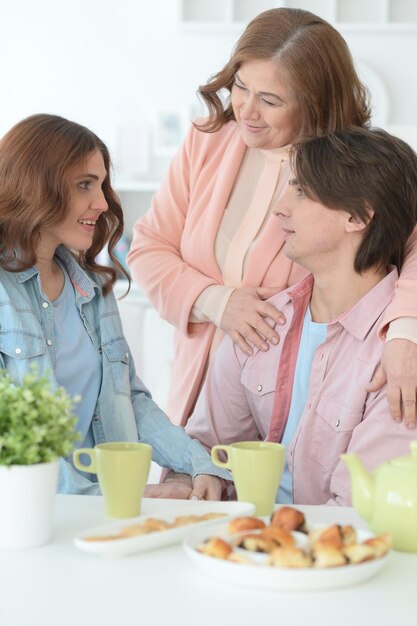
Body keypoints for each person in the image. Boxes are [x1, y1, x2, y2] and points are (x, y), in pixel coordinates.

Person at [127, 7, 417, 430]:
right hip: (197, 389)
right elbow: (150, 247)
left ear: (315, 103)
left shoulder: (353, 169)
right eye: (241, 87)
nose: (246, 110)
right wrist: (217, 302)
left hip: (296, 396)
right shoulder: (209, 140)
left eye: (271, 100)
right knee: (192, 484)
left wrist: (405, 334)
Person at [182, 126, 417, 505]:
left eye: (302, 191)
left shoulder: (401, 360)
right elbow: (207, 450)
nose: (280, 207)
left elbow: (358, 513)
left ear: (358, 217)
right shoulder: (261, 323)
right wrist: (190, 481)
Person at [0, 113, 231, 498]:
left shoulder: (91, 289)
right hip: (29, 516)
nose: (103, 202)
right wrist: (123, 497)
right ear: (35, 186)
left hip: (104, 512)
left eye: (103, 184)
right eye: (84, 185)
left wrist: (198, 463)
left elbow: (129, 399)